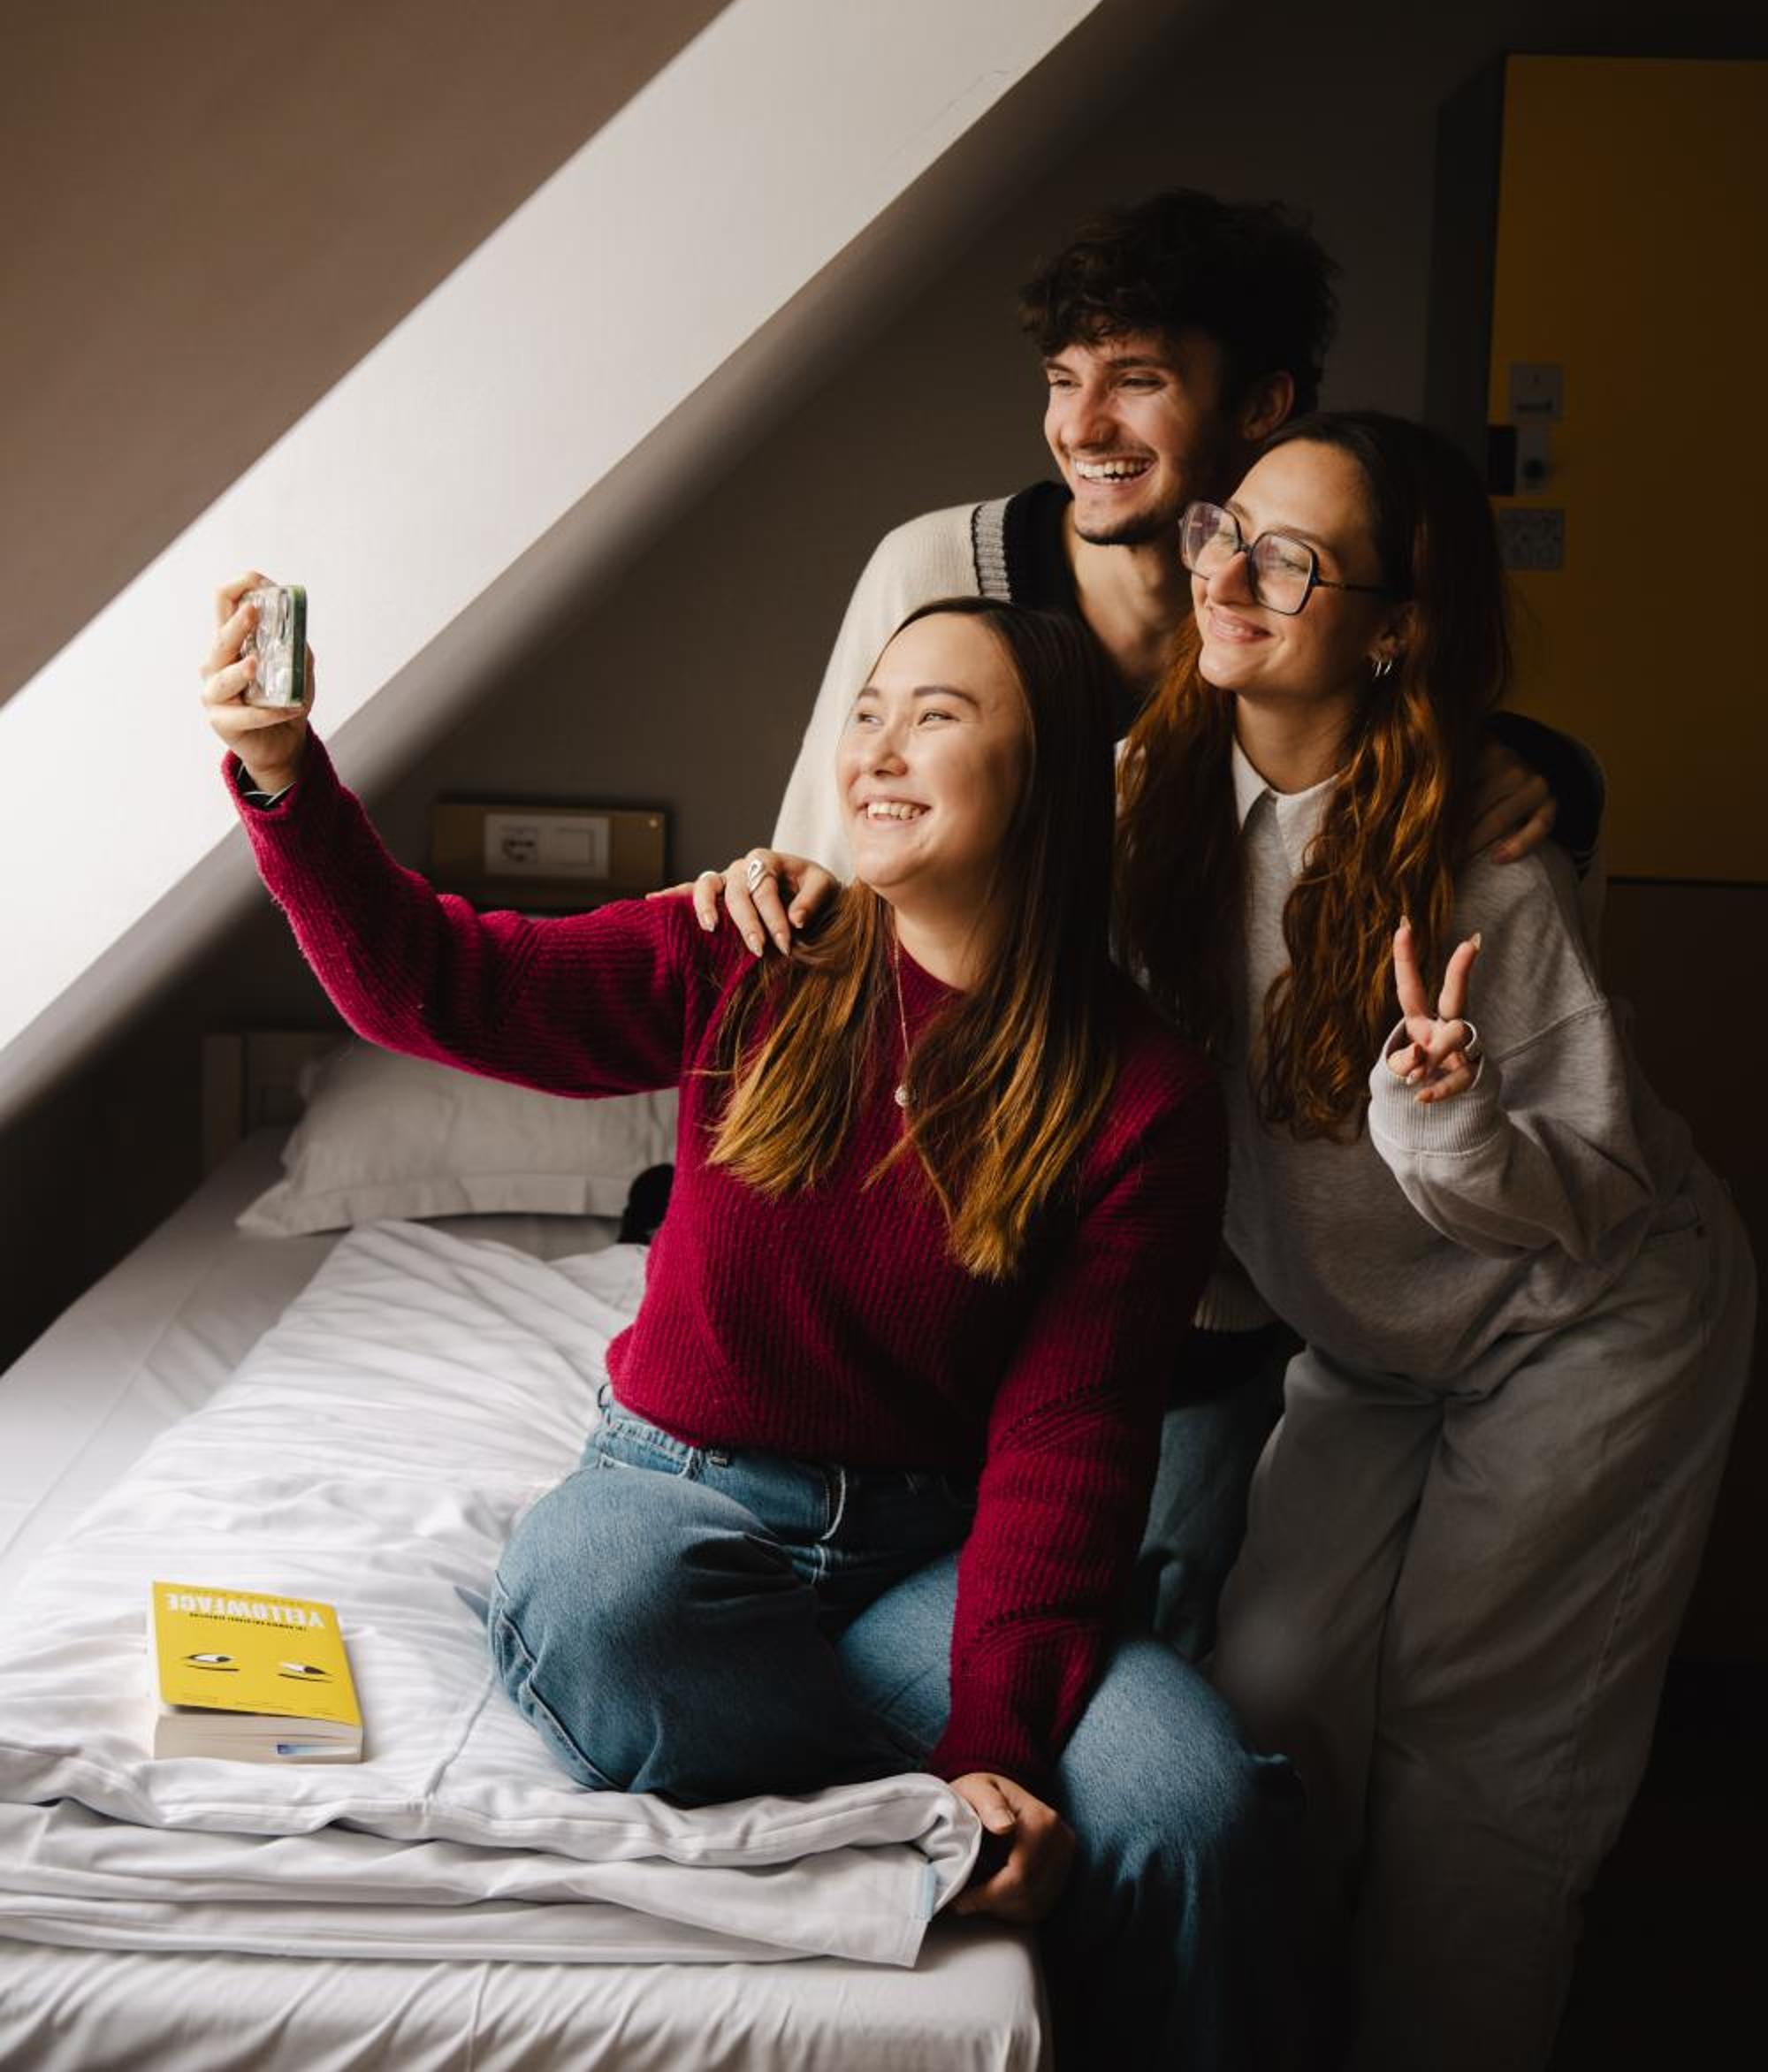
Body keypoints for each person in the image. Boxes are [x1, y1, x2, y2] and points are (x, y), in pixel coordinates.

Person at [200, 574, 1303, 2072]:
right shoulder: (754, 952)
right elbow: (437, 986)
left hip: (929, 1553)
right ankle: (908, 1829)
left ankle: (906, 1810)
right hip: (674, 1502)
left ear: (1043, 770)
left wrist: (998, 1742)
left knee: (1191, 1807)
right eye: (866, 715)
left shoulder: (1141, 1093)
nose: (878, 751)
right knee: (602, 1600)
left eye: (937, 716)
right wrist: (283, 772)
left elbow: (1070, 1438)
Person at [699, 188, 1599, 1657]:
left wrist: (1537, 764)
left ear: (1264, 407)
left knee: (1185, 1650)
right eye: (1065, 378)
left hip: (1224, 1270)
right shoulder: (946, 577)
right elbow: (842, 868)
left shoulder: (1262, 595)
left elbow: (1405, 730)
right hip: (976, 1209)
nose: (1086, 423)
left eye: (1141, 378)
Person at [1112, 411, 1756, 2072]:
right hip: (1377, 1344)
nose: (1230, 574)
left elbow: (1589, 1191)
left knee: (1476, 1771)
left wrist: (1439, 1115)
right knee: (1262, 1697)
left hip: (1585, 1328)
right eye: (1224, 529)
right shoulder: (1151, 794)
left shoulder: (1477, 852)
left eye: (1293, 558)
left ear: (1392, 626)